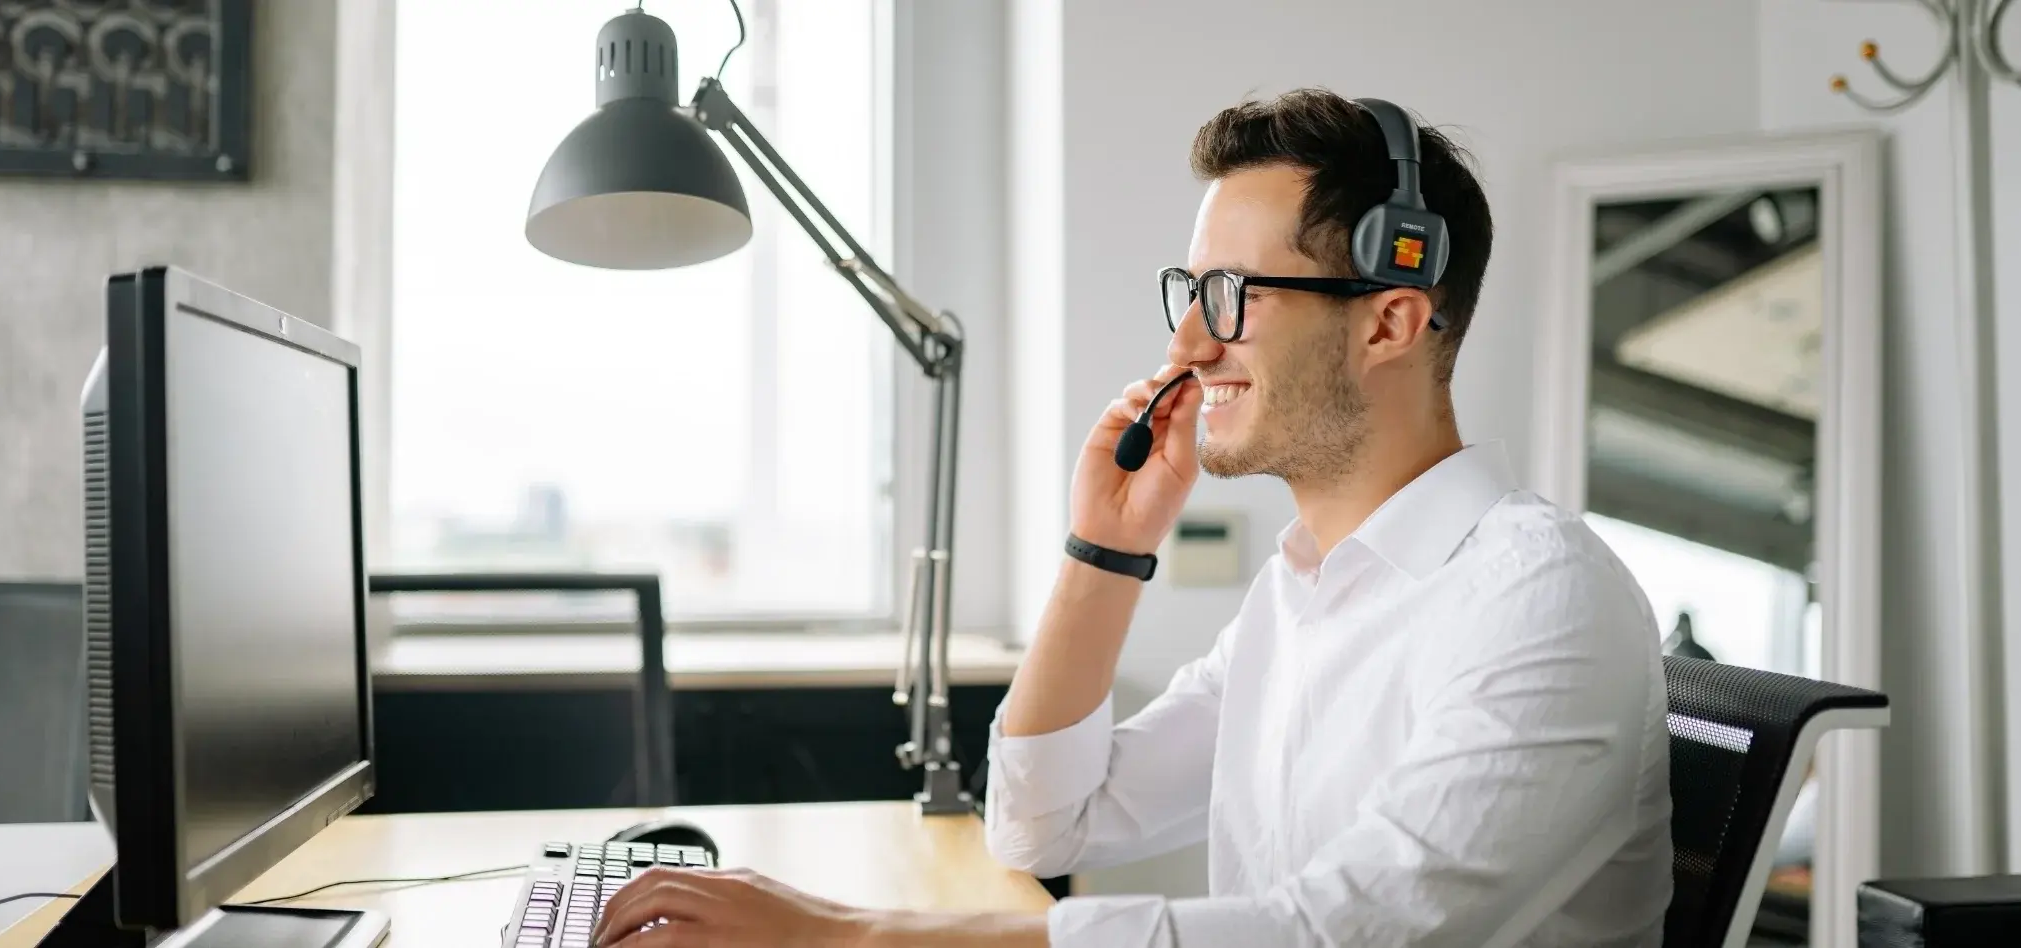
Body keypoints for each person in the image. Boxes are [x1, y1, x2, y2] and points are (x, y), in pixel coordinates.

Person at [589, 88, 1673, 948]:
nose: (1189, 349)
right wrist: (1105, 550)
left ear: (1390, 318)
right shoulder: (1304, 593)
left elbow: (1340, 936)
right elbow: (1044, 823)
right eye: (1188, 294)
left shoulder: (1538, 600)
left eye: (1233, 298)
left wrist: (850, 938)